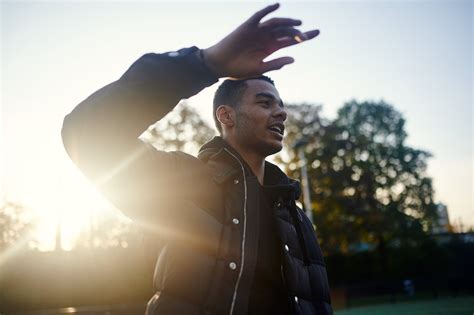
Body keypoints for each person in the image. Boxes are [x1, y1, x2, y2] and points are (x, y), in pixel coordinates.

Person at [61, 3, 332, 315]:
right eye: (264, 102)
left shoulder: (296, 217)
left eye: (281, 105)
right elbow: (88, 134)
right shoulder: (185, 181)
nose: (281, 112)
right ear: (226, 115)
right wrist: (206, 64)